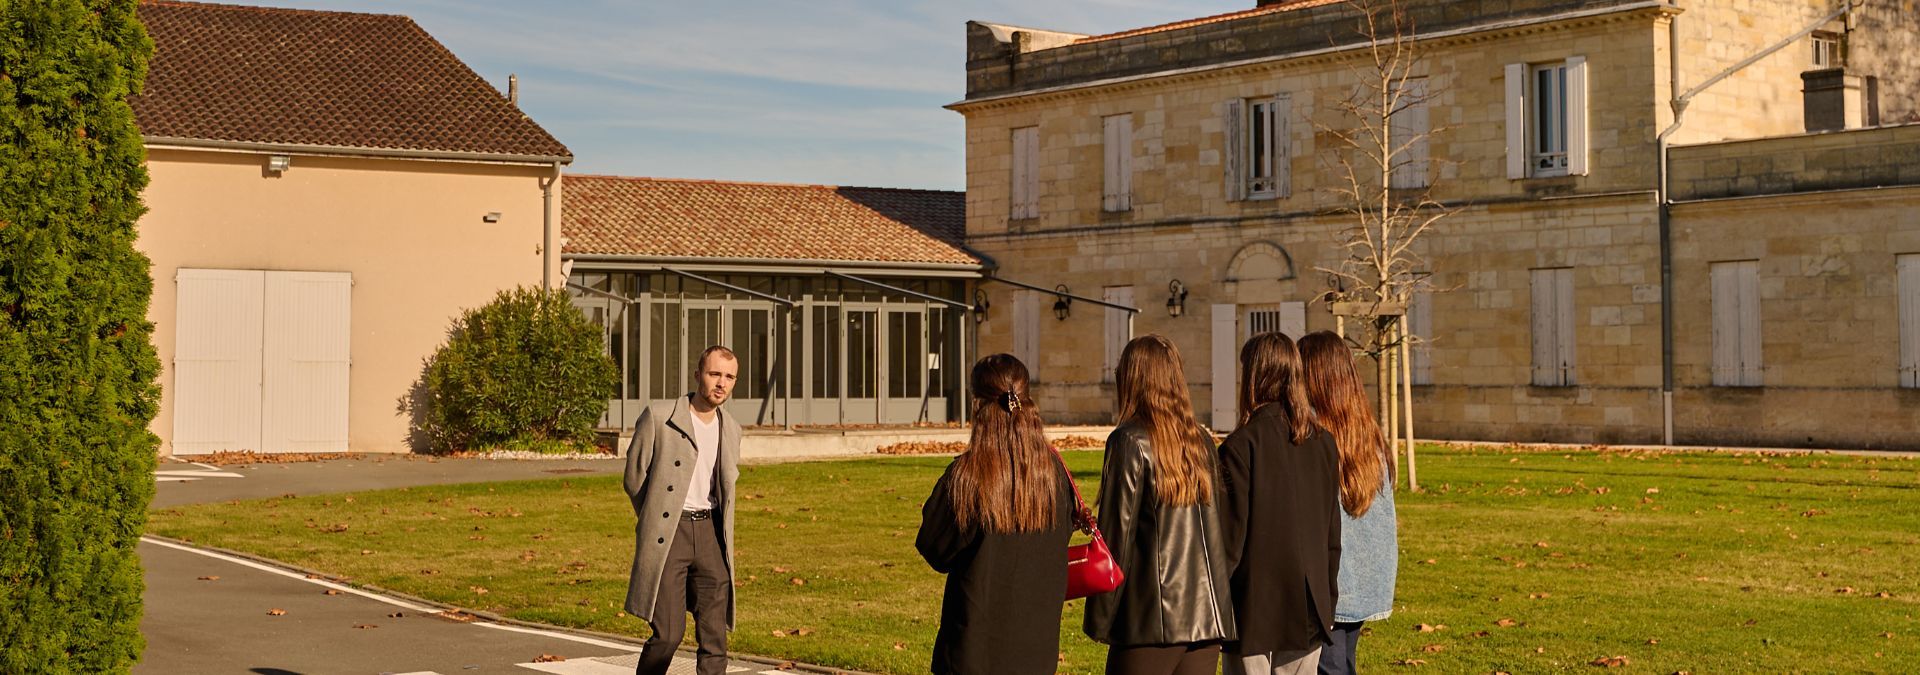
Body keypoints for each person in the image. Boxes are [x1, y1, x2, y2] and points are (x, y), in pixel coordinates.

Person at [1085, 335, 1237, 675]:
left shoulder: (1128, 440)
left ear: (1132, 377)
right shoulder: (1202, 441)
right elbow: (1218, 534)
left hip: (1150, 622)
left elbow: (1115, 539)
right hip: (1207, 620)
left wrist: (1100, 620)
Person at [916, 354, 1077, 675]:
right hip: (1037, 651)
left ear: (978, 406)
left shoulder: (968, 475)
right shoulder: (1054, 472)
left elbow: (935, 548)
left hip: (973, 653)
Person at [1216, 332, 1342, 675]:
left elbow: (1229, 545)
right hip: (1310, 609)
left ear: (1254, 377)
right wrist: (1327, 601)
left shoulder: (1240, 447)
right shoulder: (1324, 443)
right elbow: (1332, 539)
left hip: (1254, 613)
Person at [623, 346, 742, 675]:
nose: (721, 383)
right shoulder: (660, 416)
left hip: (710, 535)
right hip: (669, 534)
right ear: (697, 375)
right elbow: (634, 479)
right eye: (714, 374)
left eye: (729, 377)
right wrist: (657, 516)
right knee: (668, 635)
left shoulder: (731, 428)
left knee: (715, 638)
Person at [1298, 332, 1398, 675]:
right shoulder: (1365, 430)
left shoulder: (1311, 435)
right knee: (1343, 662)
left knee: (1331, 666)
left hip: (1327, 586)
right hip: (1361, 583)